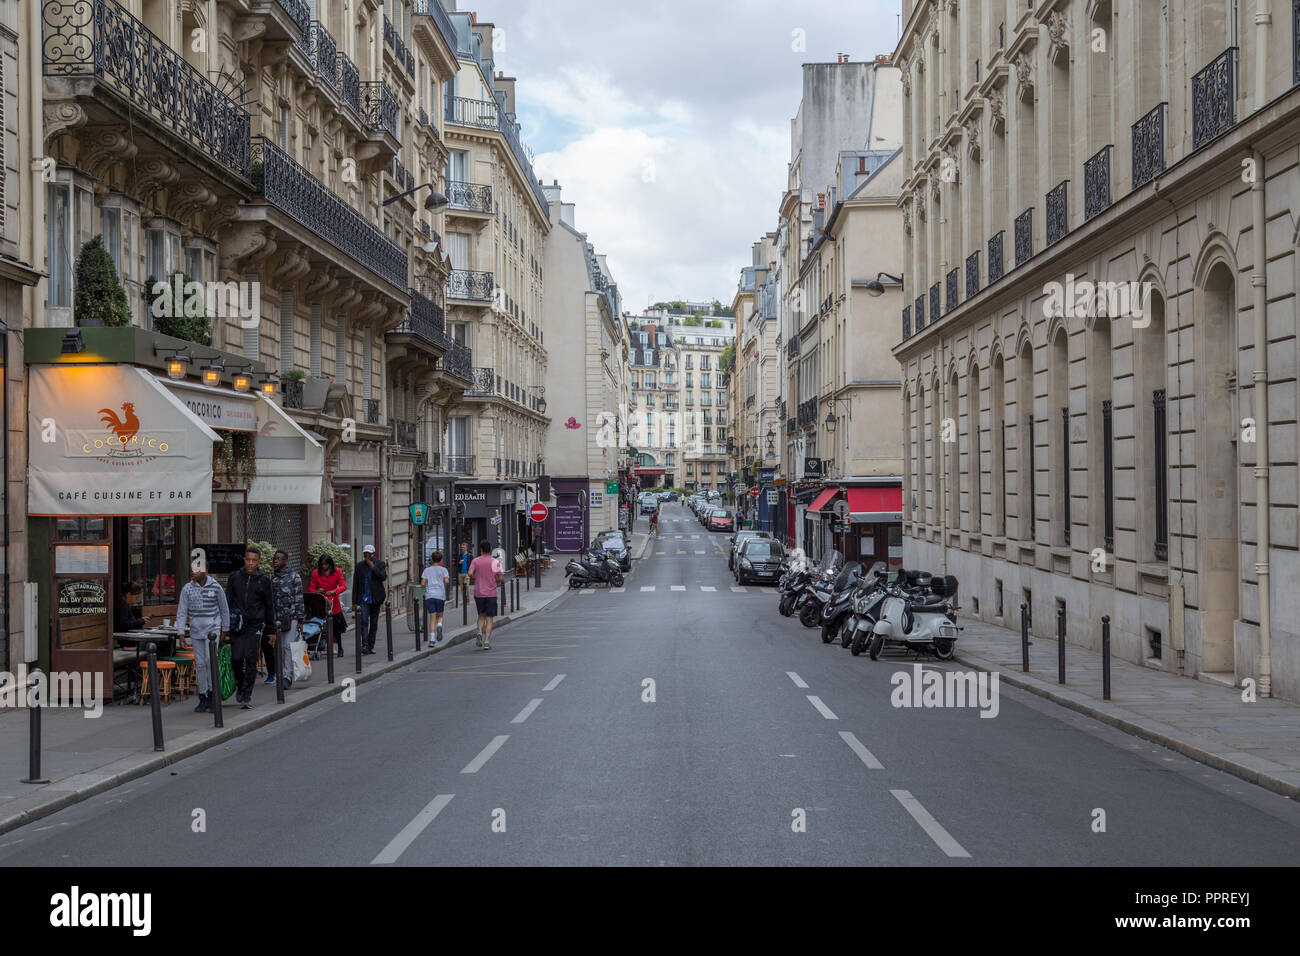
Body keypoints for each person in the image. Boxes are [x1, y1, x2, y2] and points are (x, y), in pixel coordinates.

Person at [225, 547, 275, 709]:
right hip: (237, 624)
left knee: (251, 659)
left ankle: (246, 695)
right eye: (248, 559)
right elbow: (227, 602)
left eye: (254, 560)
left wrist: (272, 630)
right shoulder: (234, 577)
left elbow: (269, 606)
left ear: (258, 561)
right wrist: (226, 625)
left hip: (255, 625)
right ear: (244, 560)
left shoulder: (264, 580)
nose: (250, 563)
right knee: (236, 658)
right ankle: (240, 685)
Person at [176, 565, 230, 713]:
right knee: (200, 663)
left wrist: (224, 629)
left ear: (205, 571)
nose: (193, 572)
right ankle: (203, 696)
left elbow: (224, 609)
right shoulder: (187, 589)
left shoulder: (216, 587)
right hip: (195, 629)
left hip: (212, 629)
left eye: (197, 570)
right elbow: (181, 612)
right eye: (192, 569)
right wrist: (181, 633)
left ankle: (214, 694)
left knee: (210, 660)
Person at [270, 549, 305, 689]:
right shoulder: (272, 578)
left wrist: (300, 619)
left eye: (278, 559)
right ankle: (280, 672)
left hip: (291, 616)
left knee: (287, 646)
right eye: (274, 558)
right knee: (278, 647)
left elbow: (299, 598)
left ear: (285, 561)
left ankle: (287, 676)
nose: (275, 561)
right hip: (276, 618)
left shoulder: (294, 577)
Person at [309, 554, 348, 657]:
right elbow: (311, 590)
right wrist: (317, 591)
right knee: (320, 626)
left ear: (330, 565)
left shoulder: (337, 571)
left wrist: (334, 591)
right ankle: (320, 647)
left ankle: (340, 647)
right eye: (322, 564)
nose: (324, 567)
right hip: (320, 602)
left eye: (326, 564)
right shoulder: (315, 573)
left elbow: (343, 586)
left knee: (336, 628)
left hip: (333, 602)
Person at [351, 544, 387, 655]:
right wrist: (354, 602)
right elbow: (355, 584)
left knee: (374, 623)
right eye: (365, 554)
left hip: (375, 598)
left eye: (369, 555)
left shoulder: (380, 564)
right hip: (363, 598)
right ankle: (365, 645)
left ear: (373, 554)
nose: (366, 557)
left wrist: (372, 566)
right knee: (364, 621)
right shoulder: (359, 566)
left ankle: (371, 645)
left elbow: (383, 577)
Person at [468, 540, 504, 650]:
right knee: (489, 618)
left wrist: (476, 578)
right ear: (490, 549)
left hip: (479, 593)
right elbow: (501, 578)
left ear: (481, 549)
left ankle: (479, 631)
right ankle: (487, 641)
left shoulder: (475, 561)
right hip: (491, 593)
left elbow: (469, 573)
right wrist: (495, 578)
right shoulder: (495, 562)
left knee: (481, 615)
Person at [421, 550, 450, 647]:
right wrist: (443, 588)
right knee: (440, 616)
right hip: (440, 595)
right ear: (441, 559)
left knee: (432, 617)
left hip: (430, 595)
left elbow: (423, 583)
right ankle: (440, 625)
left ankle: (432, 640)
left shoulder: (426, 570)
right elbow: (446, 581)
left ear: (432, 559)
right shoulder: (444, 570)